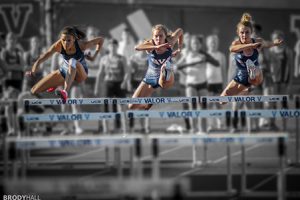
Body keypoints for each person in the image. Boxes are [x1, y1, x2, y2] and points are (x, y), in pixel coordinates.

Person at [26, 26, 104, 103]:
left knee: (72, 61)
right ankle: (56, 85)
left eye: (69, 40)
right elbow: (43, 57)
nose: (66, 43)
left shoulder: (81, 45)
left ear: (74, 39)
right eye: (63, 40)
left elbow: (101, 40)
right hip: (65, 73)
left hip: (80, 74)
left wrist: (94, 56)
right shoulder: (58, 45)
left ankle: (65, 92)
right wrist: (34, 68)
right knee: (34, 90)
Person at [220, 13, 283, 101]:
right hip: (247, 79)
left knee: (267, 103)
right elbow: (232, 67)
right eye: (253, 32)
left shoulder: (263, 45)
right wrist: (229, 83)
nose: (255, 33)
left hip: (264, 78)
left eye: (257, 31)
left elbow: (276, 62)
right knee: (249, 106)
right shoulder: (238, 46)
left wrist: (273, 76)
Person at [128, 24, 183, 110]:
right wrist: (155, 47)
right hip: (150, 77)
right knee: (132, 106)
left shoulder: (170, 41)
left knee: (164, 72)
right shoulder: (150, 43)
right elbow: (137, 48)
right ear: (153, 37)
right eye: (156, 36)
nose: (158, 38)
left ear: (165, 36)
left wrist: (179, 48)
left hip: (166, 77)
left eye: (161, 36)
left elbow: (180, 31)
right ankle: (147, 104)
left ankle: (165, 72)